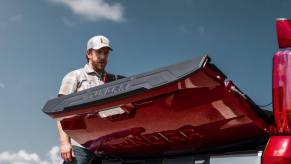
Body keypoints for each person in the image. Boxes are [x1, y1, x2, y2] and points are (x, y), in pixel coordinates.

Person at [57, 35, 124, 164]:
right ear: (89, 53)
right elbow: (61, 112)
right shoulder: (75, 76)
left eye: (106, 53)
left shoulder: (113, 82)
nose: (103, 57)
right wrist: (65, 143)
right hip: (80, 147)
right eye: (99, 52)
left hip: (106, 149)